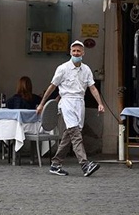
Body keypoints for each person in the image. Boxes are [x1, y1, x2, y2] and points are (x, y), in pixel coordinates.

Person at [36, 40, 105, 177]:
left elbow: (92, 88)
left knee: (70, 135)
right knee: (75, 134)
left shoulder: (86, 69)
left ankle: (55, 164)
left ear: (83, 53)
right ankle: (85, 165)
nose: (76, 53)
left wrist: (100, 103)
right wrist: (42, 103)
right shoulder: (62, 68)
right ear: (70, 52)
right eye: (74, 51)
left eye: (78, 51)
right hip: (66, 102)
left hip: (80, 103)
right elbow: (52, 87)